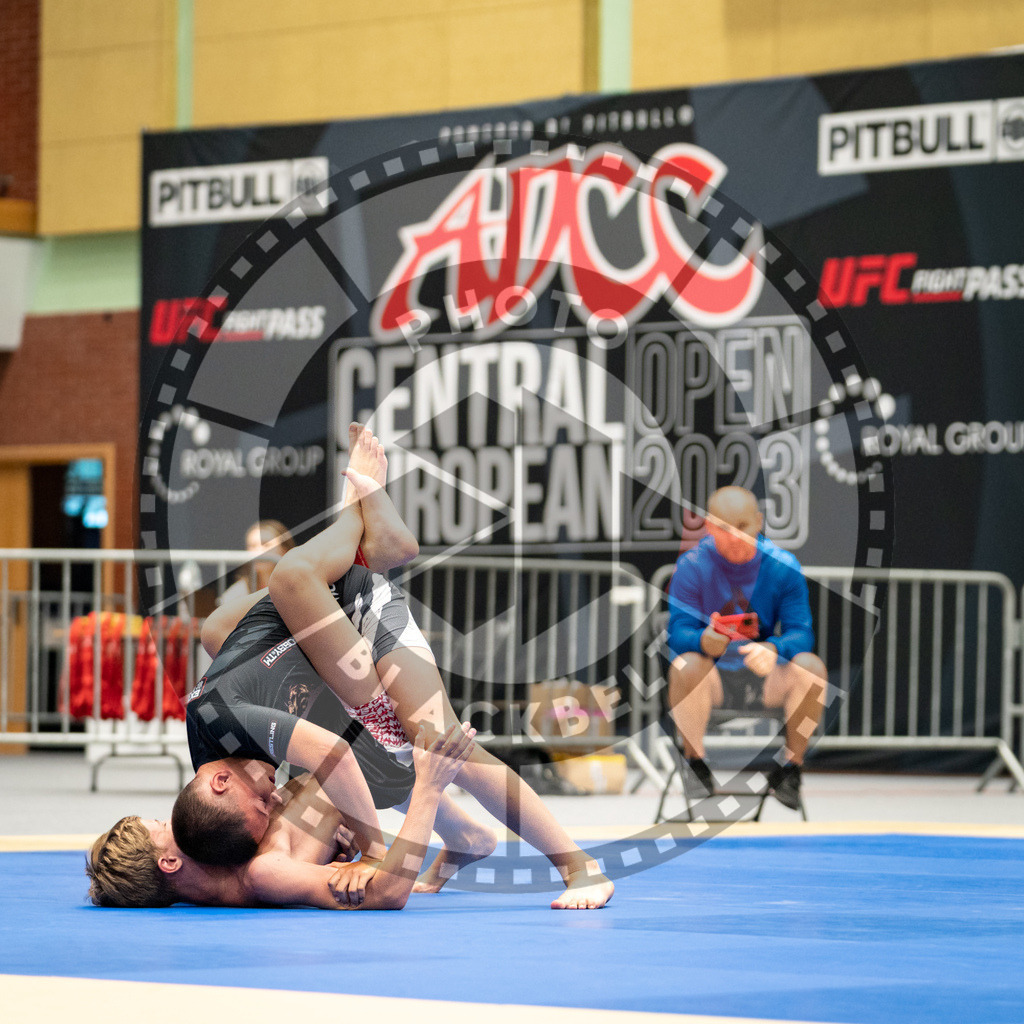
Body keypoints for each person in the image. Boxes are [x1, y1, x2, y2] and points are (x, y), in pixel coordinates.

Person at [194, 425, 613, 909]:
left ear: (218, 781)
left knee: (436, 738)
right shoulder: (226, 805)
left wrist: (373, 850)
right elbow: (332, 787)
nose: (271, 802)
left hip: (355, 614)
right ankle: (464, 836)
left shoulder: (224, 742)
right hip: (317, 663)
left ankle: (580, 866)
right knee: (390, 747)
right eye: (269, 813)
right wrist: (347, 841)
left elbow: (332, 767)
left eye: (260, 805)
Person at [87, 723, 476, 910]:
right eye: (164, 826)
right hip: (361, 774)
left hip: (340, 796)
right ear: (170, 862)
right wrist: (429, 787)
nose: (176, 821)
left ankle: (466, 840)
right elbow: (388, 893)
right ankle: (469, 835)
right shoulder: (261, 872)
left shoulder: (211, 874)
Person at [665, 486, 827, 810]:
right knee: (685, 663)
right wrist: (701, 641)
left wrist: (774, 648)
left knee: (812, 668)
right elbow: (677, 633)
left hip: (766, 678)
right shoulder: (692, 565)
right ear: (708, 527)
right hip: (713, 679)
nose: (735, 537)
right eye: (724, 528)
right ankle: (695, 764)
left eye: (742, 526)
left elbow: (802, 633)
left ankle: (791, 768)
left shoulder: (783, 566)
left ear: (758, 522)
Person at [216, 519, 295, 606]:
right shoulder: (240, 590)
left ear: (284, 550)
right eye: (252, 546)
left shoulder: (298, 583)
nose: (258, 552)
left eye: (266, 545)